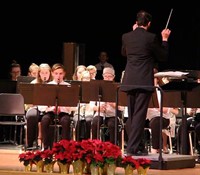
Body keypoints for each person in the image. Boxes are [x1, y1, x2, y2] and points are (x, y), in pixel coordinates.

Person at [120, 10, 171, 156]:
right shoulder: (151, 37)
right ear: (148, 24)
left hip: (129, 80)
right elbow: (162, 56)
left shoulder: (126, 36)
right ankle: (132, 149)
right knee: (139, 116)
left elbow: (124, 53)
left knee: (133, 116)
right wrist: (165, 39)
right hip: (143, 81)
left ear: (136, 22)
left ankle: (139, 146)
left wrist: (132, 34)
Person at [41, 63, 72, 150]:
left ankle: (65, 148)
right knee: (45, 120)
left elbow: (71, 105)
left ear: (64, 74)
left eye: (61, 73)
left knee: (66, 121)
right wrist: (51, 108)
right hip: (51, 112)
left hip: (63, 112)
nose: (58, 76)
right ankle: (46, 147)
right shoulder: (47, 86)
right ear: (52, 73)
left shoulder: (68, 86)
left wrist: (61, 108)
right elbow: (42, 105)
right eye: (56, 73)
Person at [91, 67, 122, 144]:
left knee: (112, 124)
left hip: (112, 114)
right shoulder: (98, 87)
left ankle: (113, 147)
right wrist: (97, 108)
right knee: (95, 122)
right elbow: (91, 105)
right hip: (100, 113)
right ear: (102, 76)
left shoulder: (118, 88)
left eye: (110, 76)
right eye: (105, 76)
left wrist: (113, 104)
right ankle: (95, 145)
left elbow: (122, 107)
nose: (107, 78)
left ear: (113, 77)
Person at [26, 63, 52, 149]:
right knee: (31, 116)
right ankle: (30, 144)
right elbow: (28, 101)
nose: (44, 75)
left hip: (48, 108)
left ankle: (47, 144)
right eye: (42, 73)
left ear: (50, 73)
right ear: (39, 74)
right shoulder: (34, 83)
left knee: (47, 119)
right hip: (35, 107)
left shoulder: (53, 84)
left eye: (46, 73)